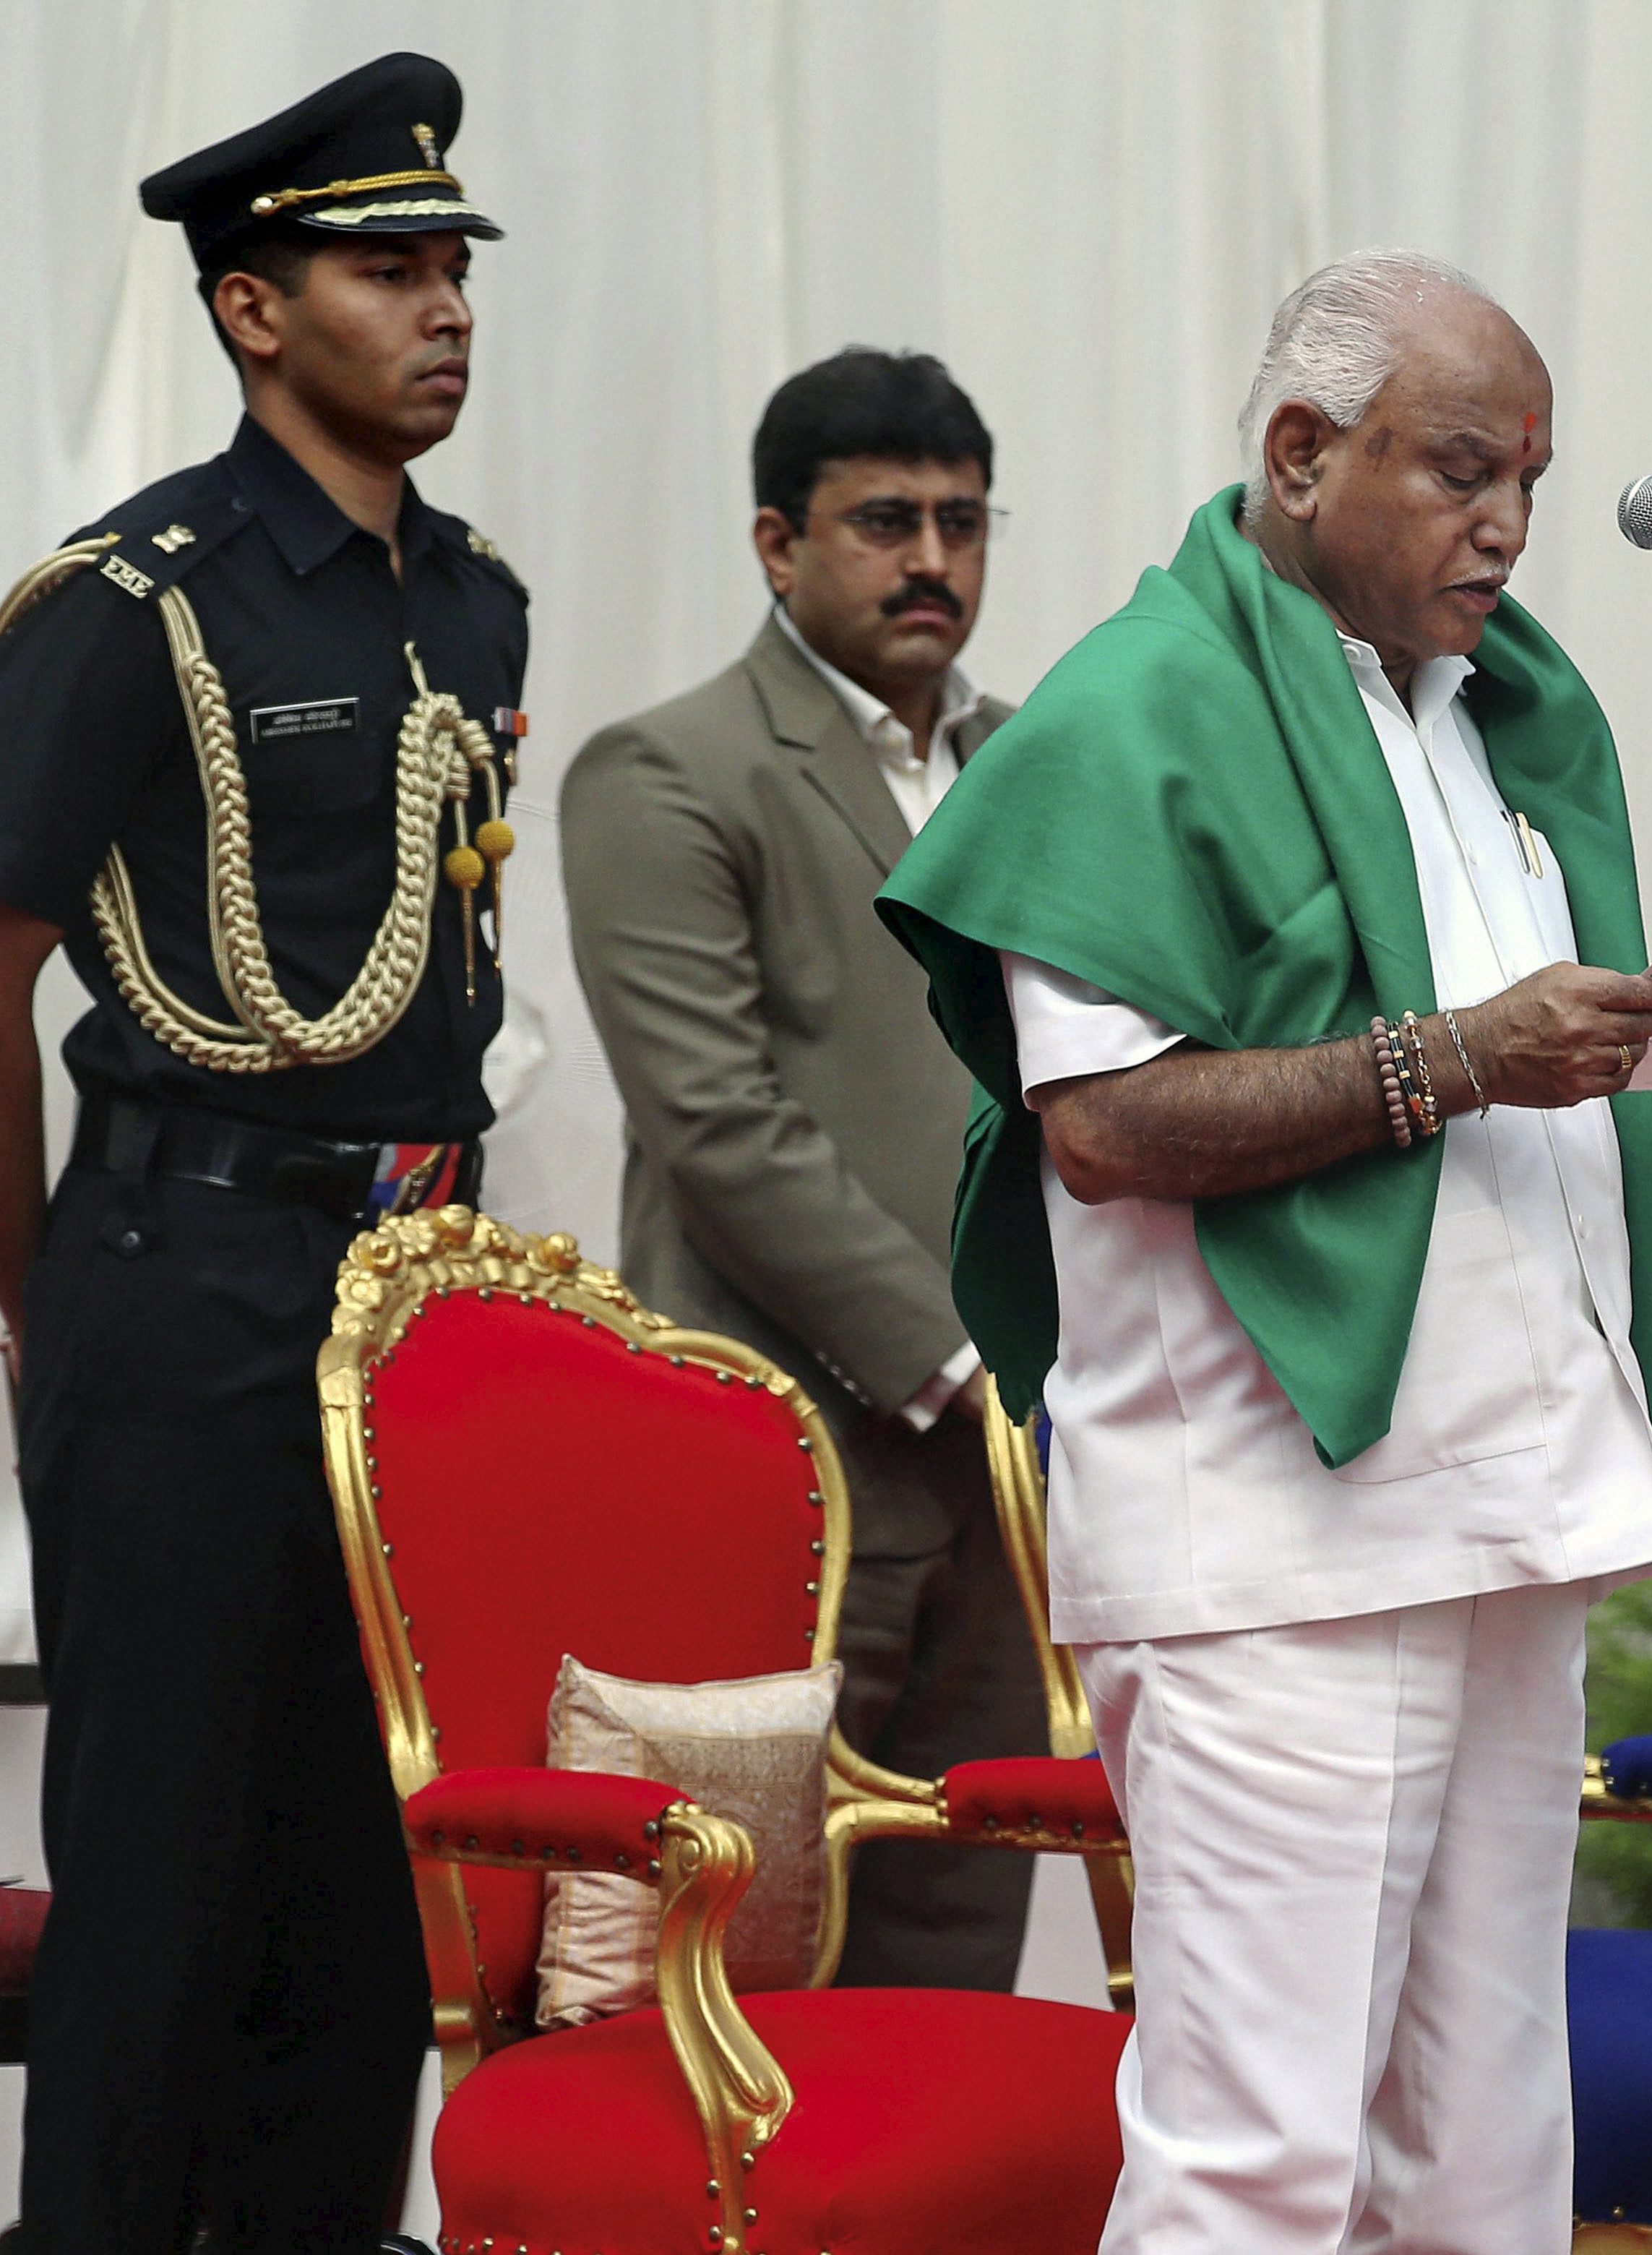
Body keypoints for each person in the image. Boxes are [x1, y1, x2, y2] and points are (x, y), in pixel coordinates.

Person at [876, 249, 1652, 2252]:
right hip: (1275, 1545)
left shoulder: (1490, 715)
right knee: (1258, 2159)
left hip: (1506, 1511)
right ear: (1303, 453)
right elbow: (1108, 1124)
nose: (1511, 525)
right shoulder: (1141, 710)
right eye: (1464, 471)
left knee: (1486, 2152)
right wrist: (1465, 1058)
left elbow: (1483, 1104)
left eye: (1531, 479)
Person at [0, 53, 516, 2250]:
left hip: (410, 1308)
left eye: (452, 267)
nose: (444, 308)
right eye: (387, 271)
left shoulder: (472, 597)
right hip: (184, 1288)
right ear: (254, 311)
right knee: (164, 1890)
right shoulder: (131, 598)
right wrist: (49, 1303)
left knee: (364, 1894)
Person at [559, 351, 1044, 1988]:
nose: (933, 560)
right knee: (733, 1963)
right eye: (884, 522)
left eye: (963, 522)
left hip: (1011, 1477)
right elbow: (717, 1121)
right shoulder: (668, 770)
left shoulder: (1039, 760)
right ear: (779, 543)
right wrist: (968, 1359)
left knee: (955, 1954)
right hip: (784, 1459)